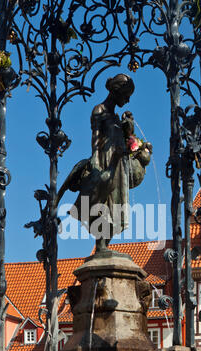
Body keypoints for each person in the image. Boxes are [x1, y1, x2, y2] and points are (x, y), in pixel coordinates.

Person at [56, 73, 152, 254]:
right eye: (126, 95)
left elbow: (123, 139)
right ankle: (100, 246)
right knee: (102, 203)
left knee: (116, 206)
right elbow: (96, 140)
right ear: (117, 91)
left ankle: (104, 246)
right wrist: (97, 165)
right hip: (106, 160)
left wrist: (128, 128)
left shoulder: (115, 116)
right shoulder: (99, 110)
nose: (128, 99)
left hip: (119, 162)